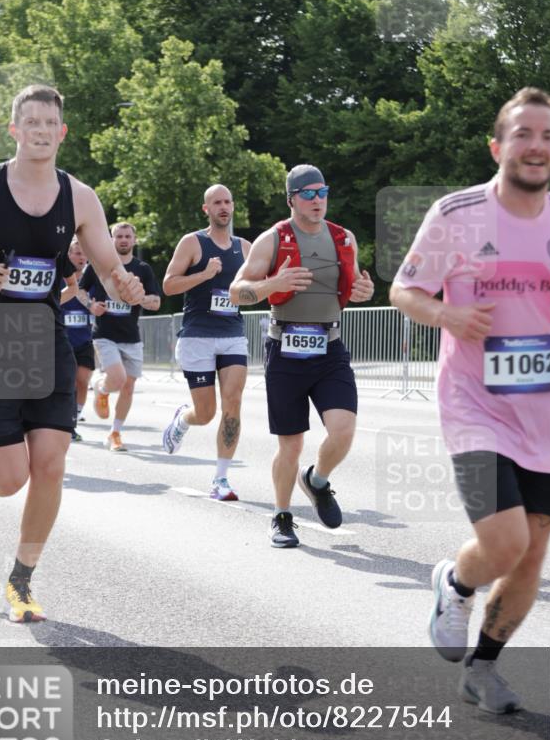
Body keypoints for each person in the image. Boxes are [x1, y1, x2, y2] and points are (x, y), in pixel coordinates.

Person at [0, 84, 144, 623]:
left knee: (50, 464)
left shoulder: (81, 197)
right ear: (15, 130)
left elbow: (108, 271)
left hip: (45, 341)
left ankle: (21, 581)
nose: (42, 131)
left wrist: (125, 288)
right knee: (11, 477)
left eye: (51, 123)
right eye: (32, 123)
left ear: (62, 132)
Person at [390, 87, 550, 714]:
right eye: (523, 134)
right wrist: (448, 313)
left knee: (535, 549)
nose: (536, 146)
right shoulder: (456, 214)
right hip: (477, 407)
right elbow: (405, 290)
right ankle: (456, 582)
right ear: (498, 146)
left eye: (548, 136)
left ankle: (483, 669)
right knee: (504, 543)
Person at [230, 165, 374, 546]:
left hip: (329, 349)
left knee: (343, 431)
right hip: (285, 350)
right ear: (292, 198)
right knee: (290, 444)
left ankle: (317, 480)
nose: (317, 200)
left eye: (322, 191)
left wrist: (363, 290)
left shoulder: (344, 238)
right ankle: (281, 516)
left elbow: (356, 283)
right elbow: (236, 291)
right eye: (308, 193)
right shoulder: (272, 240)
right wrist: (271, 284)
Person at [162, 184, 251, 501]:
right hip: (197, 336)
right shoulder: (193, 243)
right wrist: (204, 274)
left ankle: (221, 479)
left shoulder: (245, 248)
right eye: (217, 202)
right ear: (207, 209)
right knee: (206, 413)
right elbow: (169, 286)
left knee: (233, 401)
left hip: (232, 336)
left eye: (228, 201)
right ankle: (183, 419)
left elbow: (257, 289)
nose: (224, 207)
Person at [79, 222, 161, 451]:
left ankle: (115, 433)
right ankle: (102, 388)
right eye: (119, 236)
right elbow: (80, 290)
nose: (123, 240)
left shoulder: (143, 269)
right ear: (111, 240)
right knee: (117, 378)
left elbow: (156, 302)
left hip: (131, 336)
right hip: (104, 334)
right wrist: (90, 305)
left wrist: (137, 298)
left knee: (128, 387)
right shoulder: (99, 266)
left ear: (134, 240)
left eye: (127, 236)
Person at [59, 237, 95, 442]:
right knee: (70, 382)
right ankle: (69, 424)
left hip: (84, 338)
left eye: (84, 254)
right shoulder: (60, 278)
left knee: (82, 380)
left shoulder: (92, 279)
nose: (81, 257)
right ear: (69, 255)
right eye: (77, 253)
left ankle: (76, 414)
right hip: (62, 339)